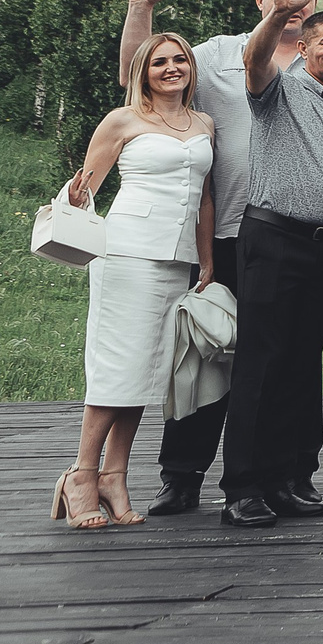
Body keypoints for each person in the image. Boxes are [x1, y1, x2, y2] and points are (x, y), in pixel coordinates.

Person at [116, 0, 323, 518]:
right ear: (262, 1)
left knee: (286, 364)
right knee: (208, 354)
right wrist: (142, 6)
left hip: (301, 236)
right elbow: (134, 76)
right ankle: (181, 477)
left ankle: (281, 477)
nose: (294, 5)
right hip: (229, 231)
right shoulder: (214, 55)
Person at [218, 0, 323, 528]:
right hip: (272, 237)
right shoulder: (276, 90)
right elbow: (254, 58)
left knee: (304, 364)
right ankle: (242, 486)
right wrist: (282, 9)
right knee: (261, 362)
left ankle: (288, 478)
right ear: (305, 47)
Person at [54, 33, 215, 529]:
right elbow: (87, 185)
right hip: (125, 251)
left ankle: (115, 475)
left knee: (148, 369)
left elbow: (206, 198)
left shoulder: (204, 122)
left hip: (177, 259)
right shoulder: (122, 120)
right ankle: (82, 475)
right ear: (143, 72)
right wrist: (77, 200)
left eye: (180, 60)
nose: (172, 68)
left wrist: (207, 261)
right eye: (160, 62)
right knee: (116, 365)